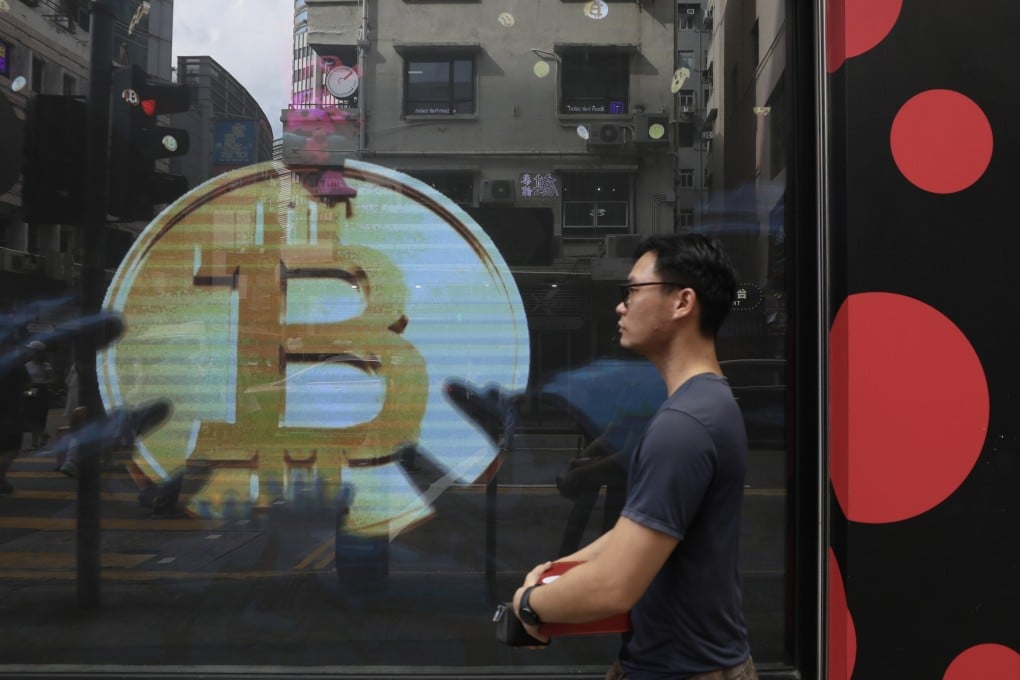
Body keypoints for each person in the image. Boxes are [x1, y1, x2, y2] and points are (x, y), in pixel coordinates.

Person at [512, 234, 757, 680]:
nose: (620, 307)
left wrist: (527, 606)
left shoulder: (685, 425)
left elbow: (614, 587)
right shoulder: (703, 404)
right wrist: (559, 570)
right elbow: (638, 531)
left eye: (632, 291)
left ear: (682, 302)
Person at [0, 336, 29, 494]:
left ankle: (3, 481)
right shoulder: (15, 363)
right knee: (11, 448)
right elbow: (27, 381)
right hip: (10, 411)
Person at [23, 340, 54, 450]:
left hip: (42, 392)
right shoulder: (27, 365)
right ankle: (42, 435)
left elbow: (51, 380)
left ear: (38, 352)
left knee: (39, 416)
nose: (29, 352)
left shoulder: (46, 365)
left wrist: (38, 383)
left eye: (31, 350)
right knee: (29, 415)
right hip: (30, 391)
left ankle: (35, 443)